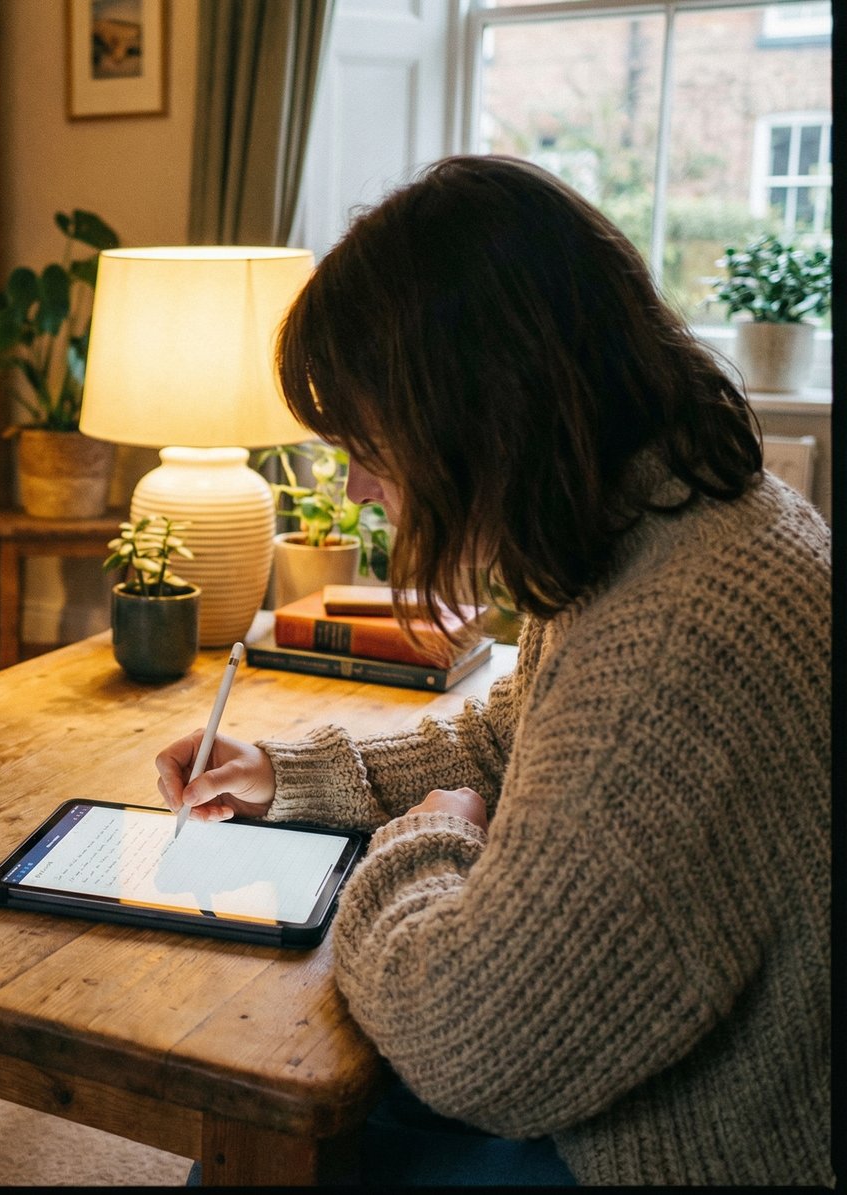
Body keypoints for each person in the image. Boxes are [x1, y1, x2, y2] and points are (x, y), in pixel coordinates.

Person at [156, 156, 831, 1187]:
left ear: (482, 417)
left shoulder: (673, 643)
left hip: (679, 1147)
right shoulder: (661, 521)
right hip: (650, 1080)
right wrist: (285, 776)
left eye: (372, 444)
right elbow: (513, 740)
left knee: (260, 1133)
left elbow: (463, 1038)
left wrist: (423, 839)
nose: (362, 485)